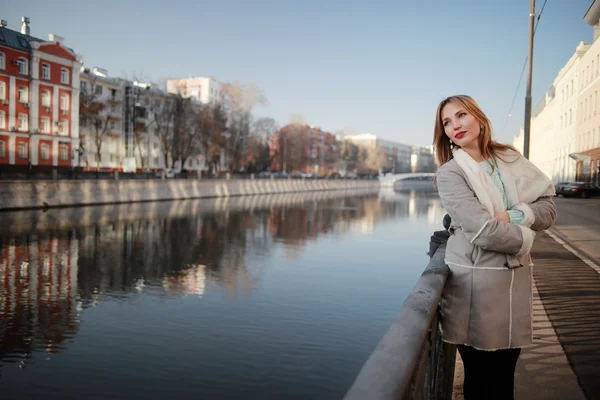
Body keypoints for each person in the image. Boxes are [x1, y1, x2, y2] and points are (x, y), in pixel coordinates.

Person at [433, 95, 557, 400]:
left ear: (478, 117)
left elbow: (548, 209)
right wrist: (525, 238)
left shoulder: (511, 159)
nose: (455, 126)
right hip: (476, 288)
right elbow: (485, 231)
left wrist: (515, 215)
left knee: (504, 379)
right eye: (447, 122)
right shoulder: (450, 173)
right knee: (481, 380)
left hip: (514, 285)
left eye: (460, 116)